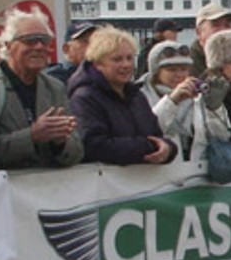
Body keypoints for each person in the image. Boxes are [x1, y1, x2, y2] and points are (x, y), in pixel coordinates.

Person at [0, 10, 85, 171]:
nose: (39, 47)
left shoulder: (55, 88)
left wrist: (60, 143)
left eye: (44, 41)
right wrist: (31, 136)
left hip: (50, 184)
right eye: (30, 40)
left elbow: (77, 151)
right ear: (9, 46)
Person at [67, 27, 178, 166]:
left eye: (129, 58)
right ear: (98, 64)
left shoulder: (137, 96)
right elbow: (93, 146)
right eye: (117, 59)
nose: (126, 65)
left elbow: (157, 135)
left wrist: (168, 149)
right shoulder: (84, 98)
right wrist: (148, 147)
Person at [193, 2, 231, 68]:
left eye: (227, 25)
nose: (223, 30)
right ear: (199, 32)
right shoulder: (187, 65)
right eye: (216, 25)